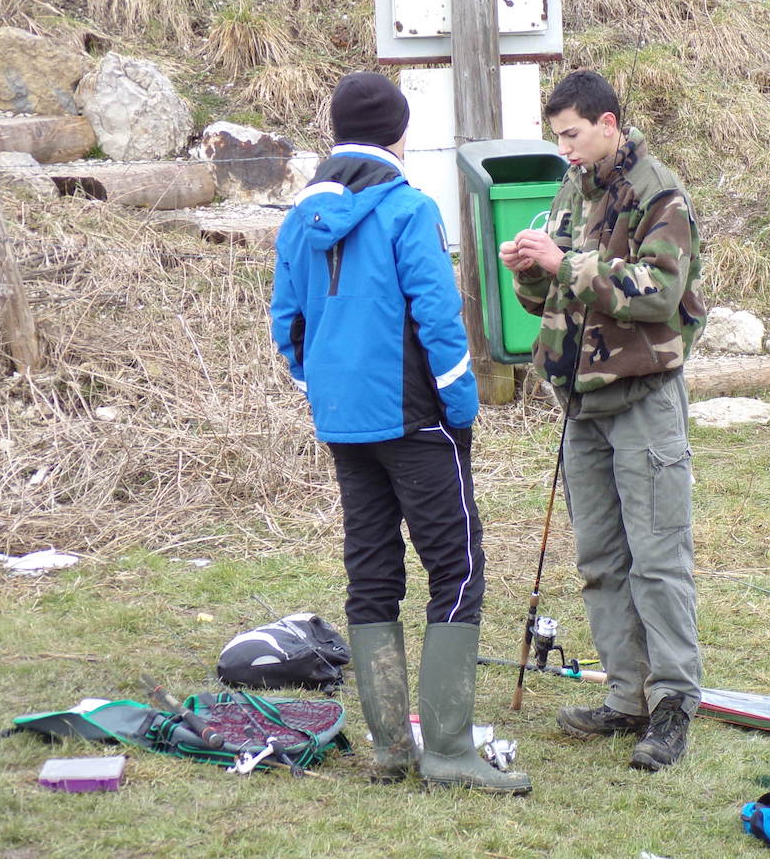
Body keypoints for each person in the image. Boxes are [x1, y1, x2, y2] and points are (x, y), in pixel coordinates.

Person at [270, 70, 530, 794]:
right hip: (419, 418)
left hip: (345, 421)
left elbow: (287, 325)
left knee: (372, 574)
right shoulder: (410, 208)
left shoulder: (299, 218)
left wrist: (322, 392)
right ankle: (447, 751)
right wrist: (461, 406)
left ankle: (391, 749)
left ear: (336, 131)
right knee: (458, 570)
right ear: (400, 133)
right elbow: (439, 317)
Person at [498, 69, 706, 771]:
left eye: (573, 135)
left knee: (658, 560)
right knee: (601, 561)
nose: (565, 149)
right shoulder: (573, 189)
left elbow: (658, 293)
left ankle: (673, 703)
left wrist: (567, 264)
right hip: (580, 403)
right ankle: (626, 697)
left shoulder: (659, 193)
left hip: (643, 397)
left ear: (609, 124)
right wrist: (531, 269)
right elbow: (547, 299)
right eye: (558, 137)